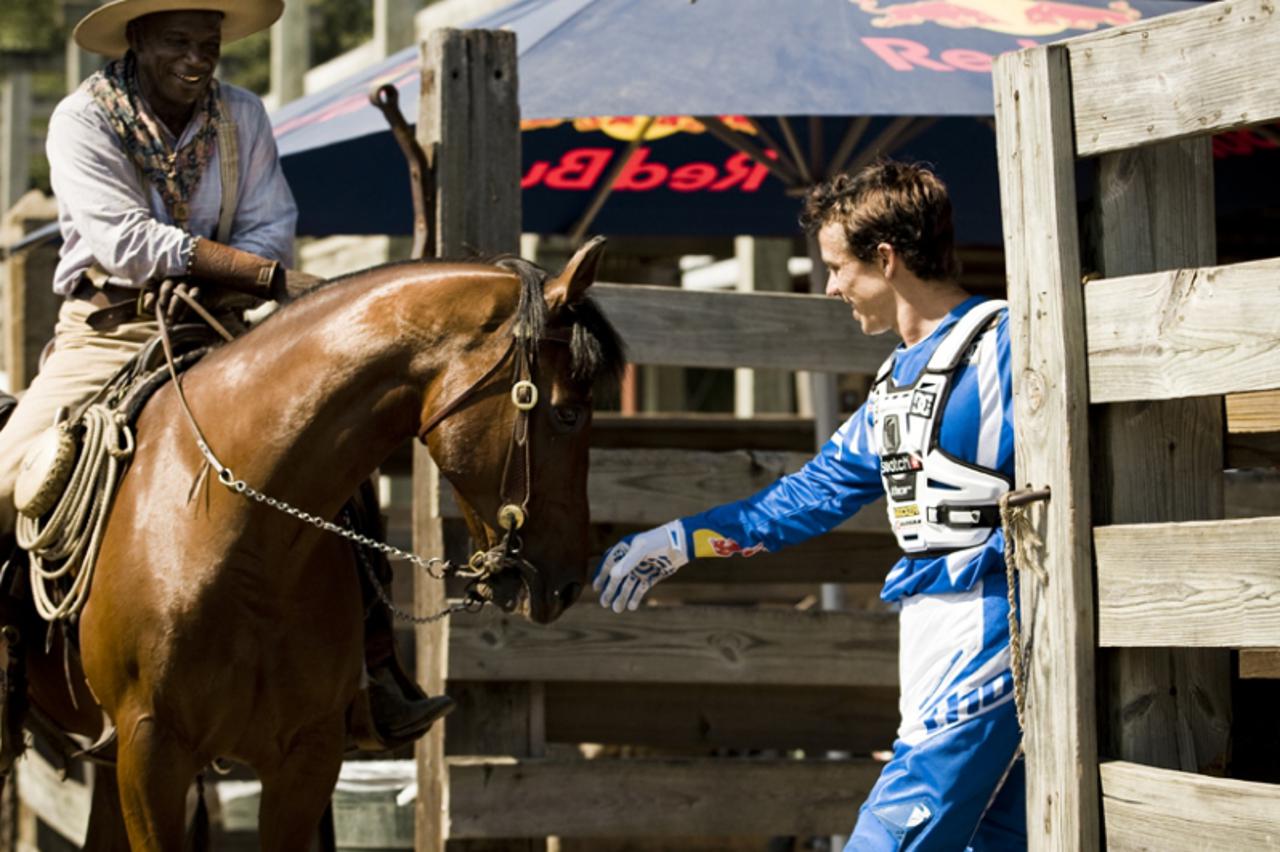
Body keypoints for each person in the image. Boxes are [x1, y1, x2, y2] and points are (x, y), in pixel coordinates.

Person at [0, 0, 451, 745]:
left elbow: (271, 221)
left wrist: (234, 277)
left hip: (218, 329)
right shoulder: (81, 119)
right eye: (178, 41)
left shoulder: (242, 114)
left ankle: (374, 668)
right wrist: (258, 273)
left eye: (208, 43)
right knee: (11, 473)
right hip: (107, 332)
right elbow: (123, 240)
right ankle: (14, 678)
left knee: (334, 465)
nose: (198, 57)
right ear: (137, 40)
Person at [594, 161, 1025, 850]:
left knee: (894, 834)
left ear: (885, 259)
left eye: (836, 267)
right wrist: (680, 539)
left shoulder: (1008, 345)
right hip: (932, 635)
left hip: (995, 622)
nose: (829, 287)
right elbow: (810, 496)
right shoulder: (892, 383)